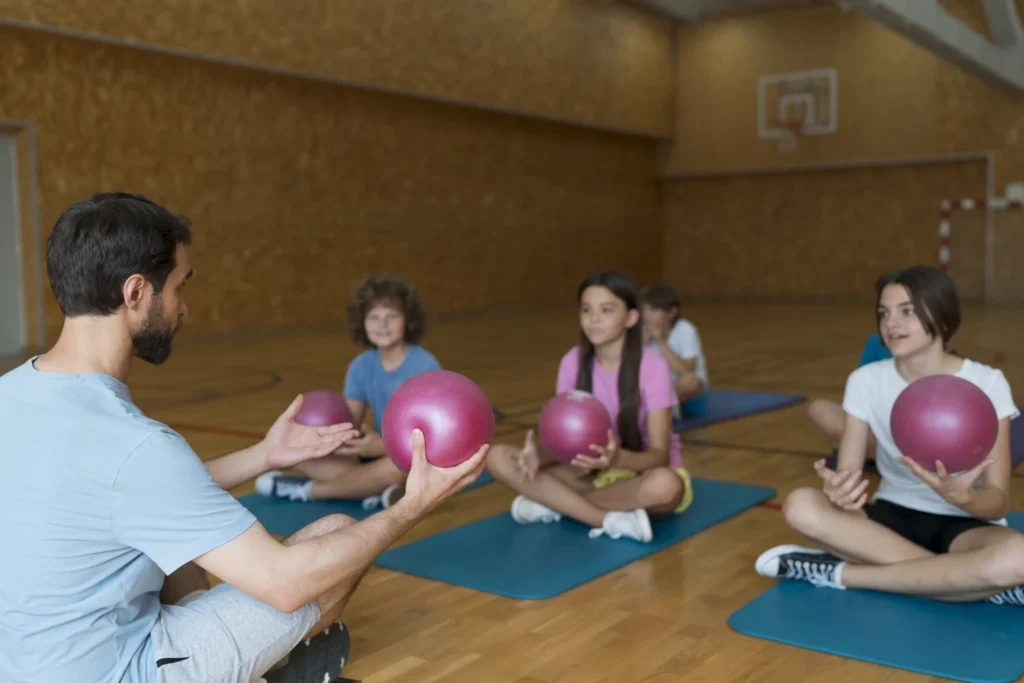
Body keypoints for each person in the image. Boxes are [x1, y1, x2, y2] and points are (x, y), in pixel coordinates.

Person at [0, 192, 489, 683]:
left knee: (179, 545)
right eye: (177, 287)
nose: (183, 308)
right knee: (334, 535)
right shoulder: (136, 445)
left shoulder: (13, 393)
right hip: (123, 671)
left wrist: (265, 456)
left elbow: (130, 495)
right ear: (135, 294)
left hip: (29, 664)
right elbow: (286, 584)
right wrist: (410, 508)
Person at [755, 265, 1024, 607]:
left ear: (942, 317)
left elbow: (997, 501)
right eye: (884, 313)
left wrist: (962, 498)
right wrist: (841, 493)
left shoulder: (988, 382)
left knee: (1019, 559)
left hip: (967, 526)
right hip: (891, 518)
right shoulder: (866, 381)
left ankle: (840, 574)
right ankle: (968, 581)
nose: (890, 324)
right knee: (800, 506)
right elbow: (849, 476)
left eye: (907, 311)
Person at [486, 271, 692, 544]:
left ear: (630, 318)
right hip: (589, 473)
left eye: (606, 310)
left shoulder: (653, 367)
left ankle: (557, 505)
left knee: (666, 486)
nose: (593, 318)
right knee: (498, 456)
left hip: (639, 473)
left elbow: (659, 456)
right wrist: (538, 455)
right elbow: (563, 442)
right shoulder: (572, 362)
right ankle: (605, 519)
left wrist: (616, 459)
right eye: (587, 309)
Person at [256, 274, 440, 508]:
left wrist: (383, 446)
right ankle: (374, 489)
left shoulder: (424, 365)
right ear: (362, 323)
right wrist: (332, 439)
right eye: (374, 317)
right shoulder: (360, 366)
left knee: (395, 468)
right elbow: (349, 422)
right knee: (300, 455)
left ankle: (311, 490)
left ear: (408, 320)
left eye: (392, 316)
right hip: (374, 454)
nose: (382, 325)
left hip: (413, 457)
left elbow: (431, 437)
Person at [809, 332, 892, 468]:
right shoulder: (876, 342)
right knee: (818, 408)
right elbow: (864, 394)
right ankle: (879, 454)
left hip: (917, 433)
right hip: (879, 431)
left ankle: (869, 452)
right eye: (885, 313)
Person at [640, 282, 709, 417]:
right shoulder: (642, 333)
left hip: (687, 399)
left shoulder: (685, 330)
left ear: (671, 312)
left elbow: (686, 373)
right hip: (657, 390)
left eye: (653, 310)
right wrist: (642, 345)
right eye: (644, 310)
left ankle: (659, 411)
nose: (646, 315)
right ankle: (655, 411)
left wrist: (661, 343)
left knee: (691, 382)